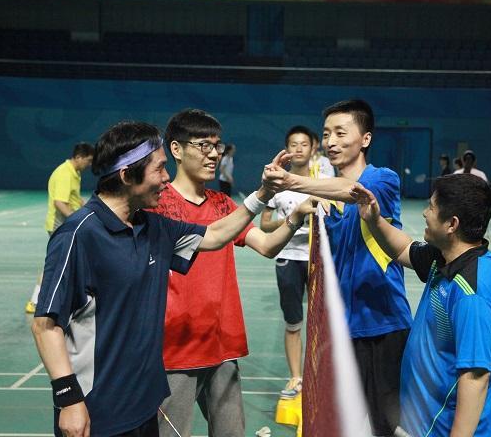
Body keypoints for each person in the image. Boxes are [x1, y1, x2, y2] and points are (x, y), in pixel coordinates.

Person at [31, 121, 283, 437]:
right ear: (127, 175)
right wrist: (68, 398)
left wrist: (262, 195)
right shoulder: (79, 234)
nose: (166, 177)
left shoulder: (154, 227)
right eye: (159, 168)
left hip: (144, 404)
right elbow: (45, 325)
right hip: (97, 409)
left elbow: (216, 234)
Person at [149, 110, 318, 437]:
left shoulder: (223, 204)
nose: (214, 154)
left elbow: (266, 245)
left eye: (217, 146)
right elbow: (211, 237)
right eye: (203, 145)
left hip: (222, 346)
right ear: (176, 149)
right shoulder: (159, 204)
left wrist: (295, 216)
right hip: (176, 350)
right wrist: (263, 194)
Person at [264, 99, 413, 437]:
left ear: (365, 139)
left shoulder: (383, 179)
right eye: (327, 133)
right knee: (344, 425)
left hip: (383, 326)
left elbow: (353, 191)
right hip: (343, 331)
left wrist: (289, 180)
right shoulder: (328, 202)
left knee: (386, 426)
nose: (331, 141)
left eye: (341, 133)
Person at [352, 173, 491, 437]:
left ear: (452, 224)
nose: (425, 213)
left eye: (431, 207)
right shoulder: (445, 257)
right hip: (423, 424)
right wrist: (374, 219)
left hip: (444, 429)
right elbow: (402, 249)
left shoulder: (472, 293)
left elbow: (475, 378)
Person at [260, 125, 317, 399]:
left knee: (320, 322)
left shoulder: (323, 184)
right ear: (287, 149)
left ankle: (318, 378)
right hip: (288, 259)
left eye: (304, 144)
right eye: (293, 144)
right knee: (293, 322)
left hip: (317, 260)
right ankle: (296, 377)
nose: (298, 148)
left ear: (313, 148)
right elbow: (265, 224)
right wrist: (292, 221)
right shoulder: (278, 186)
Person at [25, 142, 94, 314]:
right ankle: (34, 301)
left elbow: (74, 199)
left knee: (71, 261)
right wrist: (77, 220)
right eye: (88, 160)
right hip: (60, 225)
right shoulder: (65, 174)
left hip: (67, 224)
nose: (89, 164)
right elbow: (60, 203)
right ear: (79, 157)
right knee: (55, 264)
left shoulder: (74, 173)